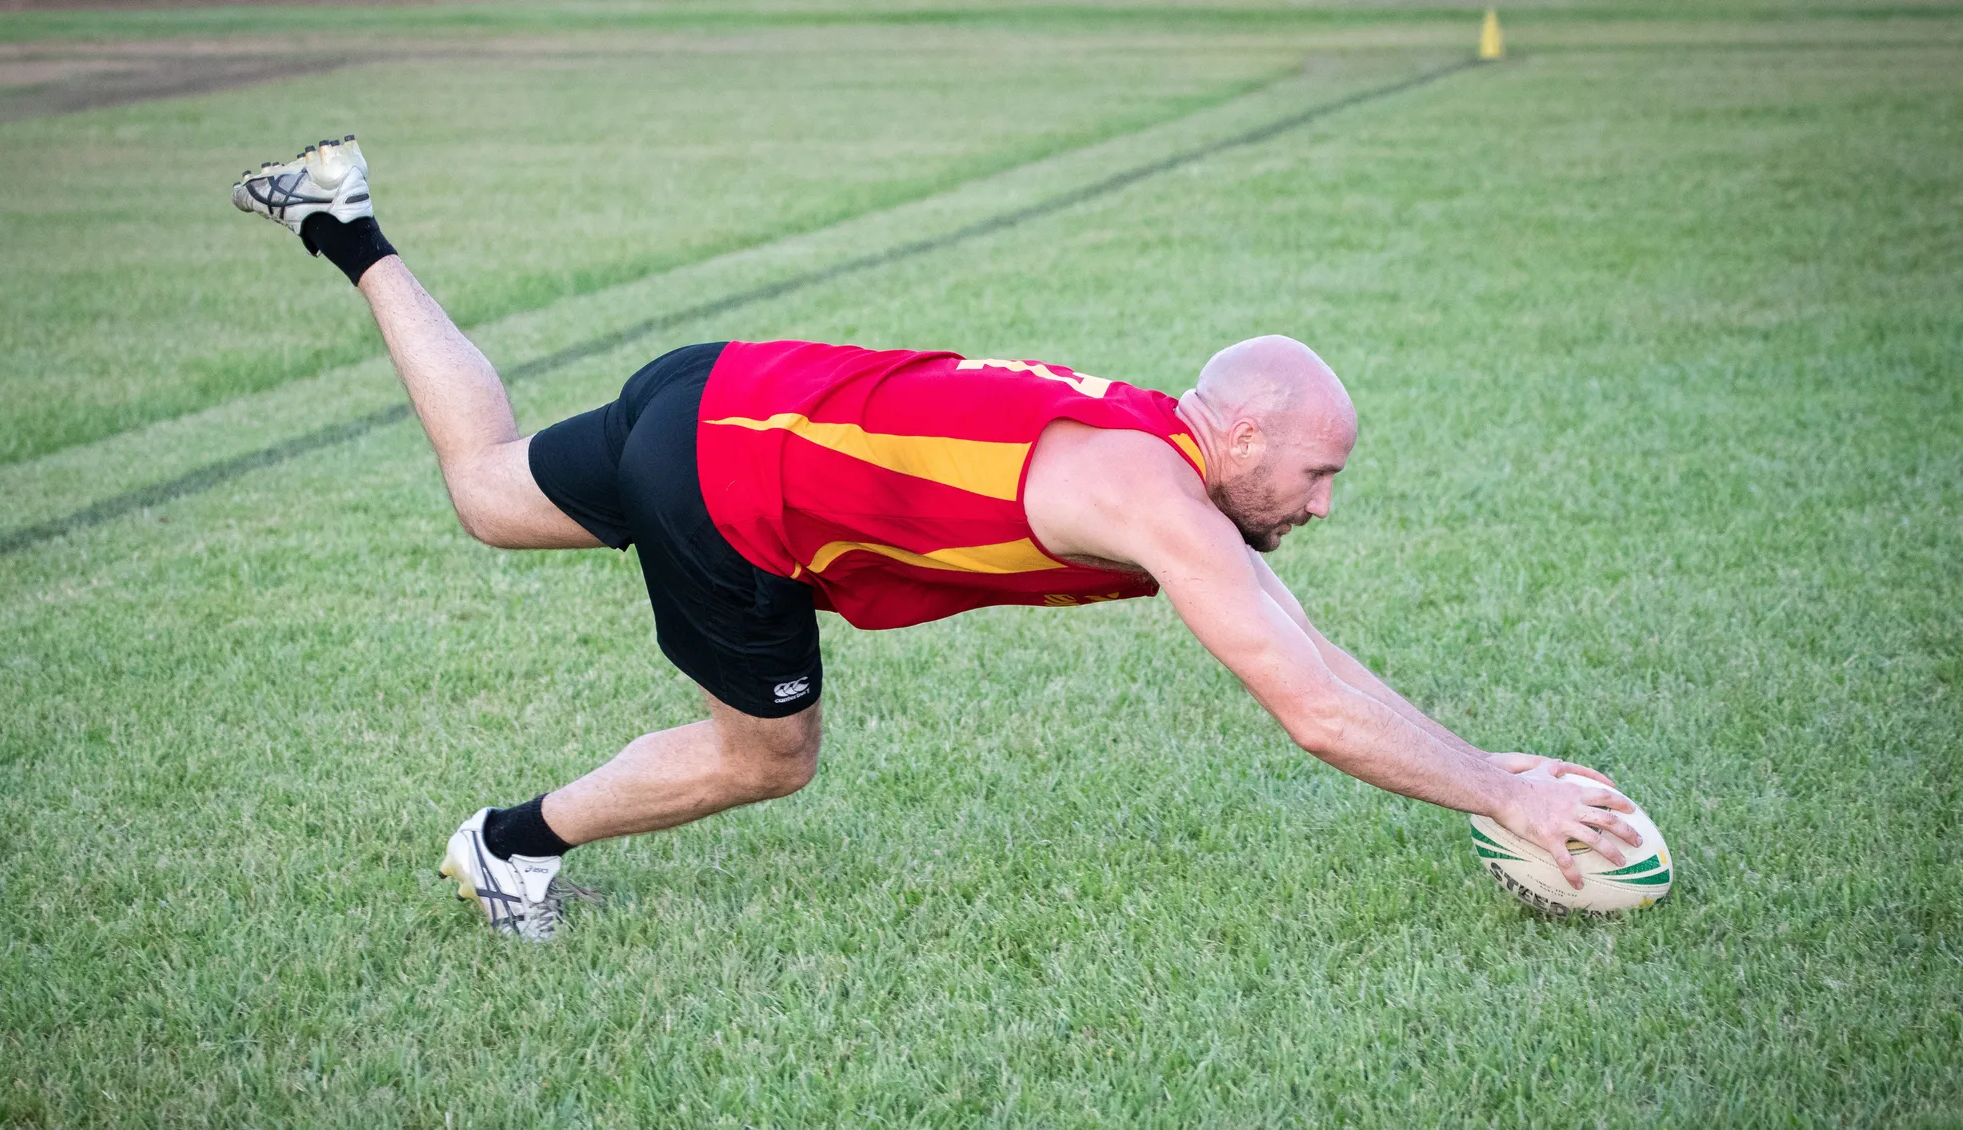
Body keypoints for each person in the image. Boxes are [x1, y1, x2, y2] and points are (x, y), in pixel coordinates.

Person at [233, 138, 1641, 942]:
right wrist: (1499, 796)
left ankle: (347, 221)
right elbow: (1312, 705)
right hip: (735, 486)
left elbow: (1309, 647)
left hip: (725, 381)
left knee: (487, 488)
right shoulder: (1152, 496)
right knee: (767, 753)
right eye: (1321, 472)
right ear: (1254, 436)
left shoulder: (1165, 449)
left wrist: (1481, 765)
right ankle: (503, 848)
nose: (1325, 503)